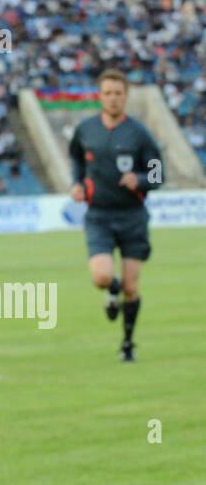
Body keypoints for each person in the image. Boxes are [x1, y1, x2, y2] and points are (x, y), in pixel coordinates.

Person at [68, 68, 161, 362]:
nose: (113, 98)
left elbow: (158, 172)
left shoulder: (139, 133)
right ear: (100, 96)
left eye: (118, 93)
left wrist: (142, 180)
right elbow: (76, 158)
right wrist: (77, 183)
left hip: (132, 216)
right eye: (107, 93)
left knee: (133, 287)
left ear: (126, 96)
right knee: (101, 276)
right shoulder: (86, 130)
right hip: (99, 216)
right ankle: (112, 289)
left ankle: (127, 344)